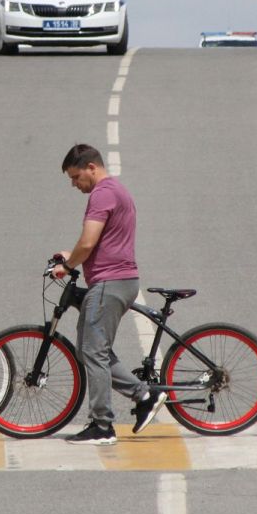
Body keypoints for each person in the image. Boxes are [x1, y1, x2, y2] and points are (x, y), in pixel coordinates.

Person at [51, 144, 166, 445]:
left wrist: (68, 265)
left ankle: (102, 425)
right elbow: (99, 243)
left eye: (76, 177)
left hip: (110, 283)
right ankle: (143, 394)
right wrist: (70, 254)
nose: (74, 185)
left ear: (92, 167)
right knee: (91, 349)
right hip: (120, 280)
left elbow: (88, 242)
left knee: (93, 350)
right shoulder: (117, 190)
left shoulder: (102, 193)